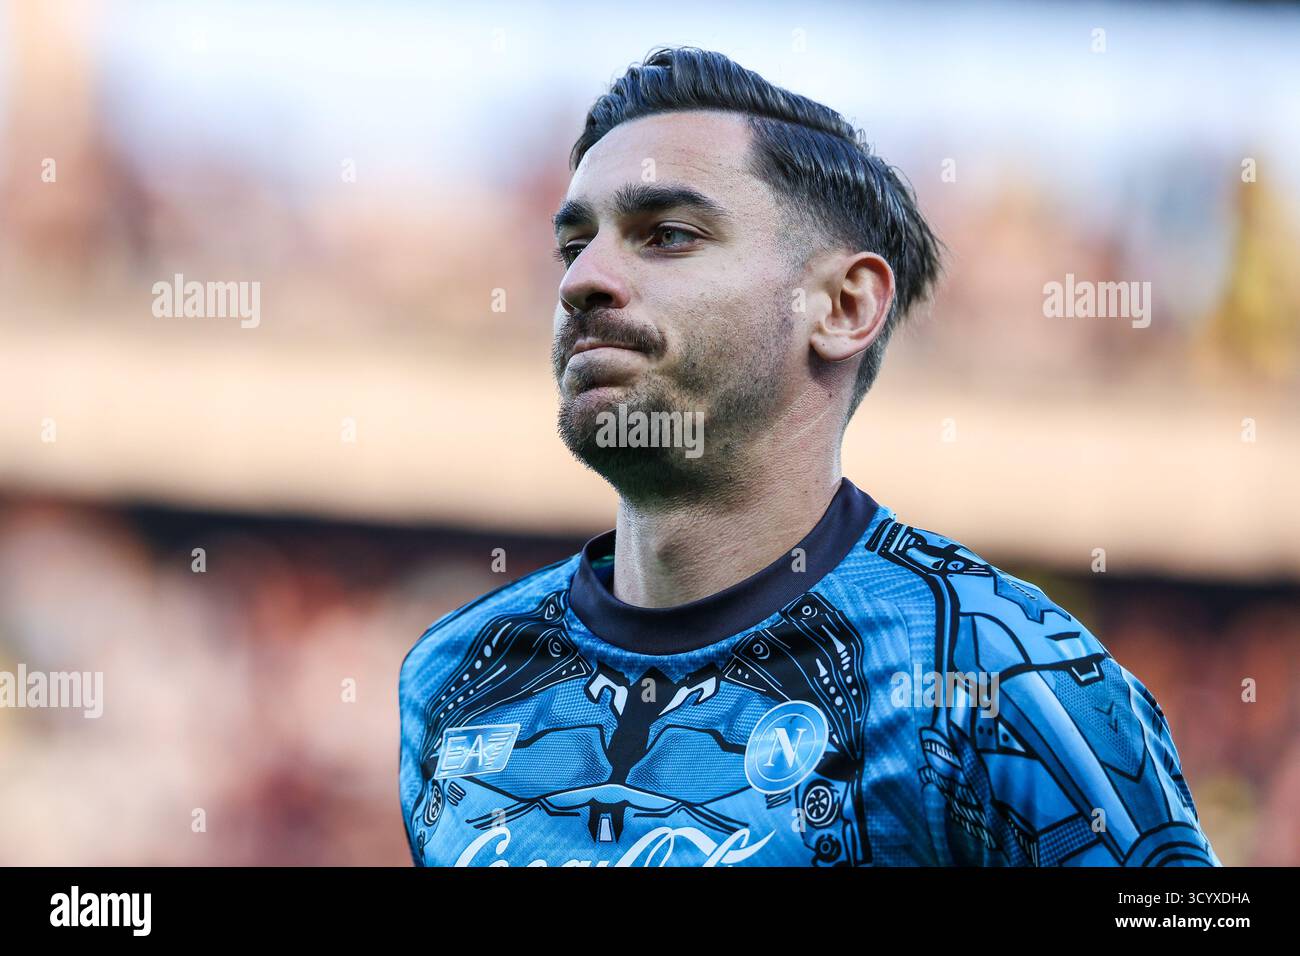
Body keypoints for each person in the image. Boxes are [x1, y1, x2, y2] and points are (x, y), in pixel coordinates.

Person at [399, 46, 1219, 867]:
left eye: (668, 235)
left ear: (842, 306)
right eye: (573, 245)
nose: (585, 280)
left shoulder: (998, 677)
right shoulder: (454, 674)